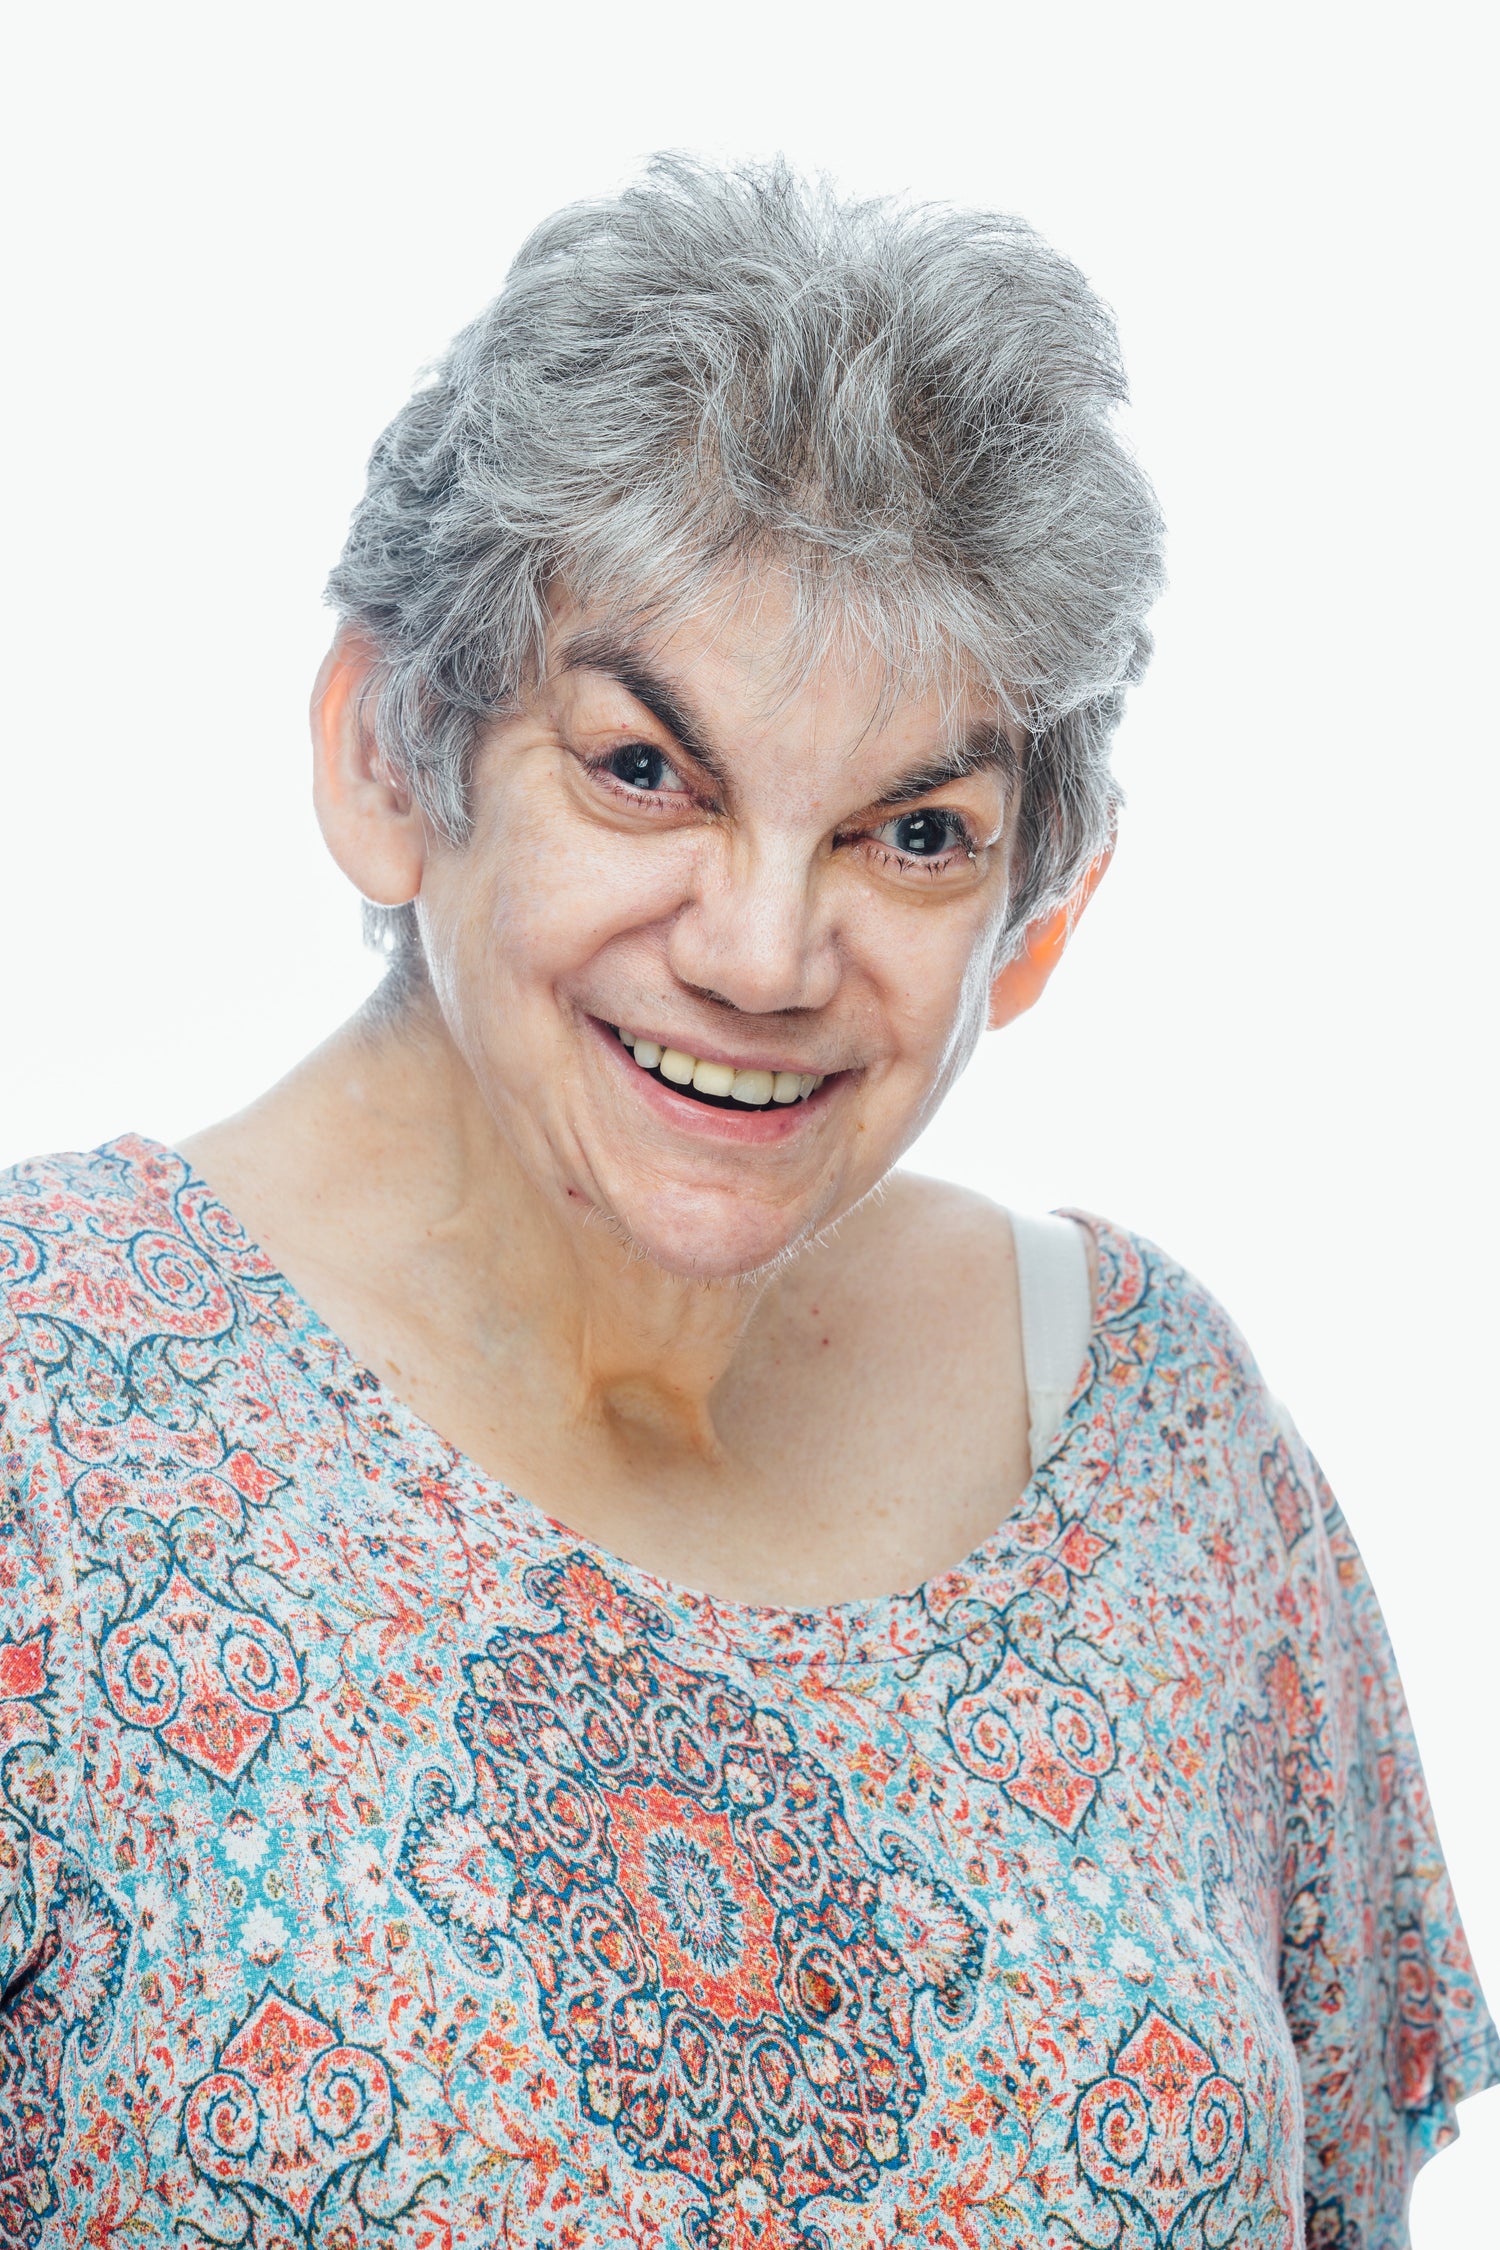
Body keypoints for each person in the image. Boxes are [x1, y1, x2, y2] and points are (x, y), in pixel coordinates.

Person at [0, 157, 1492, 2250]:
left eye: (914, 832)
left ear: (1039, 920)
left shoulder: (1168, 1443)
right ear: (382, 757)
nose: (768, 953)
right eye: (643, 772)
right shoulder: (45, 1429)